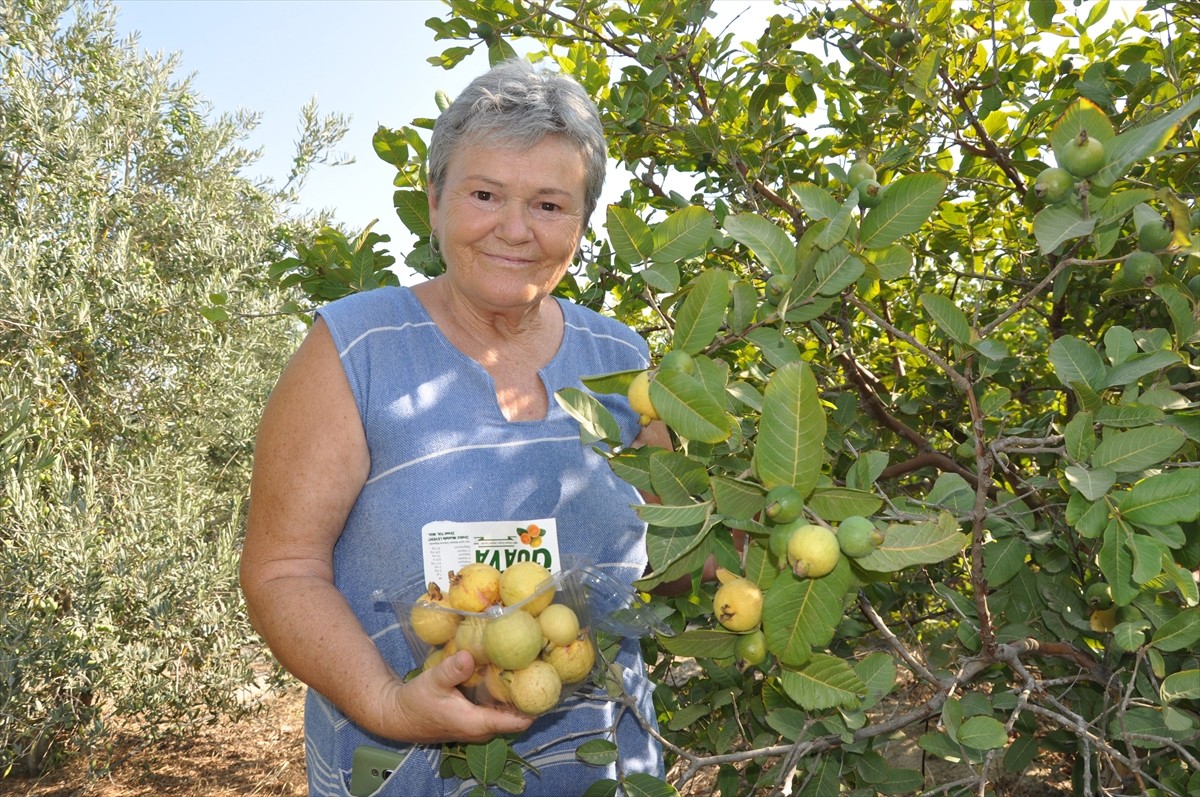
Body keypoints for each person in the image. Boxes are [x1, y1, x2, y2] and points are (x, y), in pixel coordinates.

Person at [239, 58, 671, 796]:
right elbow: (283, 569)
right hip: (409, 768)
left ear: (582, 223)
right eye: (484, 193)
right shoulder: (355, 350)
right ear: (435, 199)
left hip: (606, 767)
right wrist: (389, 704)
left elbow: (670, 541)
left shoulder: (621, 360)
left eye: (548, 204)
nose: (515, 229)